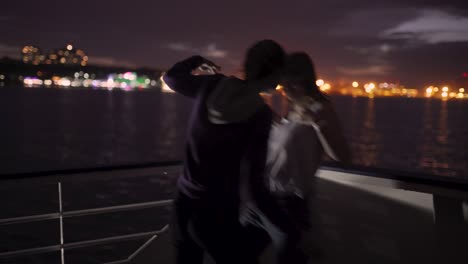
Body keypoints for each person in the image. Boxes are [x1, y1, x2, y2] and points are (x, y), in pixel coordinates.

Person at [163, 40, 297, 264]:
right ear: (276, 73)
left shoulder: (211, 85)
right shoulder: (260, 115)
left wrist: (198, 61)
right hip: (218, 212)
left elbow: (171, 77)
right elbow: (254, 185)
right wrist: (284, 225)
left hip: (184, 204)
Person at [241, 52, 351, 264]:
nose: (286, 87)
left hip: (289, 205)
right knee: (239, 254)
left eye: (291, 82)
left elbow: (344, 158)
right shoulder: (286, 104)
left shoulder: (320, 108)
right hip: (262, 200)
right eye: (284, 82)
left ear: (304, 78)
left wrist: (318, 125)